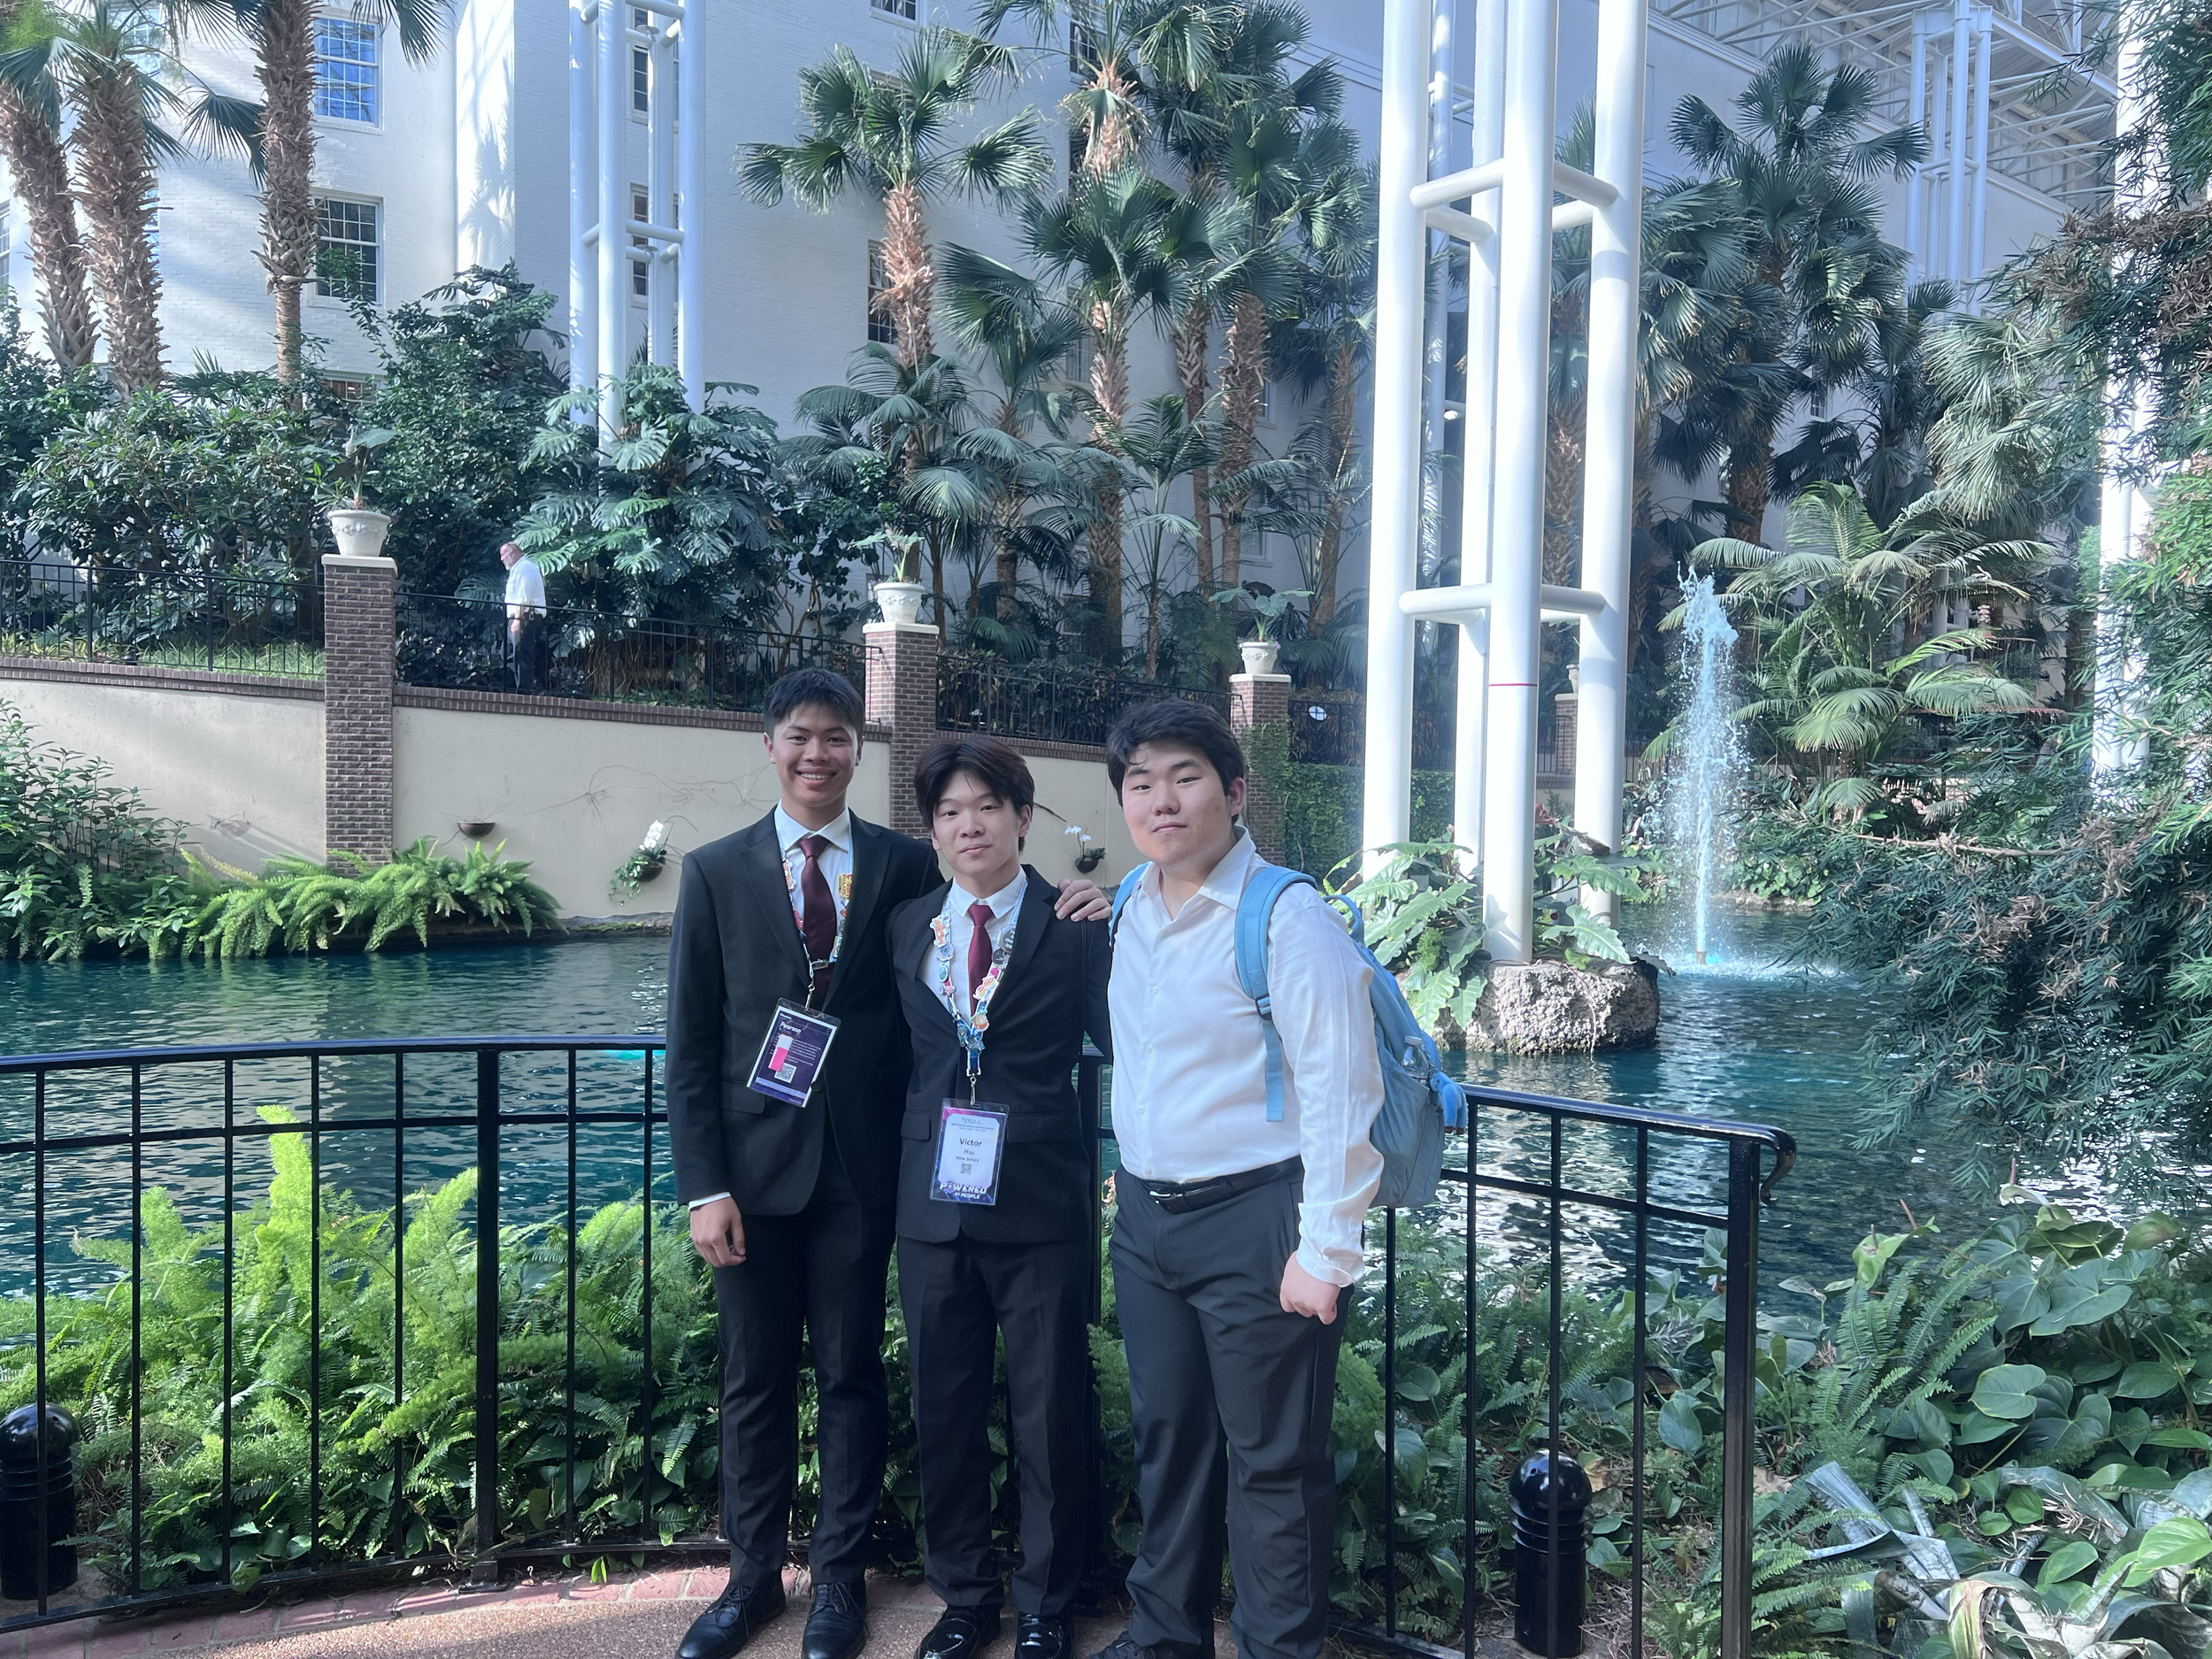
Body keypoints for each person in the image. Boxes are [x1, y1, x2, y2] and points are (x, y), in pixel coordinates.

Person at [665, 673, 1112, 1659]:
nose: (816, 753)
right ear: (770, 744)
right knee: (752, 1380)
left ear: (856, 749)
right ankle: (749, 1581)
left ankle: (837, 1583)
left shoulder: (906, 866)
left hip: (872, 1176)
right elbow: (689, 1044)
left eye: (834, 737)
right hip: (755, 1172)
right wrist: (704, 1184)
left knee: (856, 1376)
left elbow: (1007, 931)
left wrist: (1094, 897)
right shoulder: (712, 871)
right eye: (798, 736)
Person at [1087, 700, 1385, 1659]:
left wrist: (1326, 1251)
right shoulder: (1131, 902)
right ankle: (1165, 1634)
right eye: (1140, 782)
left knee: (1273, 1461)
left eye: (1185, 777)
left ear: (1234, 791)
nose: (1161, 800)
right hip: (1145, 1221)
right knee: (1168, 1439)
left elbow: (1344, 1092)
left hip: (1256, 1220)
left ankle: (1276, 1648)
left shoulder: (1286, 917)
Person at [887, 737, 1111, 1659]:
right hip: (929, 1201)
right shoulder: (906, 928)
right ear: (932, 830)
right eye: (949, 812)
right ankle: (966, 1596)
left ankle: (1051, 1599)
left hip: (1039, 1199)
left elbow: (1129, 1043)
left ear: (1024, 817)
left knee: (1049, 1407)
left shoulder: (1077, 921)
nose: (968, 825)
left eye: (987, 806)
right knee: (942, 1403)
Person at [500, 540, 546, 692]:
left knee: (521, 655)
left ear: (512, 553)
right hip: (517, 617)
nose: (502, 559)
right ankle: (516, 689)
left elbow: (523, 597)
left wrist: (518, 620)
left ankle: (523, 693)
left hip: (524, 617)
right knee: (507, 653)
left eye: (503, 554)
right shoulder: (518, 569)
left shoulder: (526, 568)